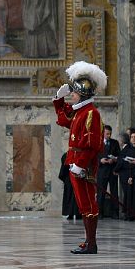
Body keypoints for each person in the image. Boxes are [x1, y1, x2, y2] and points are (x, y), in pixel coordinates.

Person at [53, 61, 106, 254]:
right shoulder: (81, 112)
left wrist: (81, 165)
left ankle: (91, 243)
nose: (71, 95)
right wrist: (58, 100)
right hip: (75, 161)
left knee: (88, 203)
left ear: (83, 94)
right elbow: (63, 119)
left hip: (83, 165)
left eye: (74, 93)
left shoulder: (91, 113)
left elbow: (92, 145)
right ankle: (88, 241)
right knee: (83, 203)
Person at [116, 129, 135, 221]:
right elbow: (123, 161)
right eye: (132, 137)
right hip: (129, 175)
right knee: (129, 195)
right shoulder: (128, 149)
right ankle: (129, 214)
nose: (134, 139)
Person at [97, 125, 121, 219]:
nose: (109, 135)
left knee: (114, 192)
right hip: (102, 170)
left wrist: (114, 160)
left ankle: (115, 213)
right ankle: (100, 213)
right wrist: (100, 161)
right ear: (103, 133)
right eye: (107, 133)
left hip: (112, 170)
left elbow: (119, 156)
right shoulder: (98, 143)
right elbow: (94, 156)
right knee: (101, 192)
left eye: (110, 133)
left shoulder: (115, 143)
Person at [59, 152, 82, 220]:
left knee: (72, 196)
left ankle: (71, 214)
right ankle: (77, 214)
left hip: (71, 178)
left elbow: (63, 170)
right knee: (76, 196)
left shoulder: (67, 155)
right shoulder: (80, 154)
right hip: (76, 178)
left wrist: (64, 178)